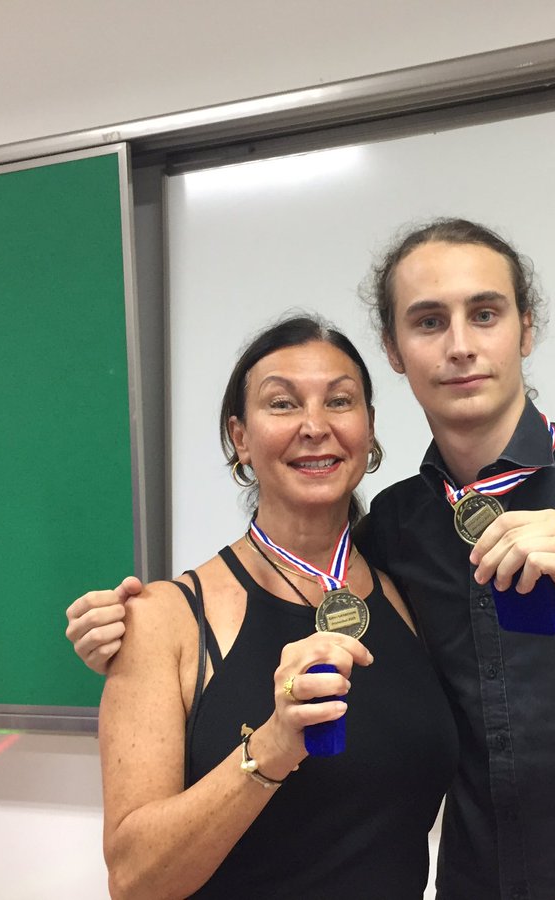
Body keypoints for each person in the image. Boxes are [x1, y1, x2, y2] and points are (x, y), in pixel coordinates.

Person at [72, 219, 555, 898]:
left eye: (485, 314)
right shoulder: (395, 535)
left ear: (526, 328)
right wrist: (124, 628)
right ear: (395, 350)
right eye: (428, 321)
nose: (459, 345)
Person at [96, 317, 459, 899]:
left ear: (368, 428)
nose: (315, 427)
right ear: (240, 438)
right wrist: (273, 745)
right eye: (283, 404)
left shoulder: (410, 590)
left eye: (339, 401)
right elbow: (134, 880)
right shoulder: (164, 619)